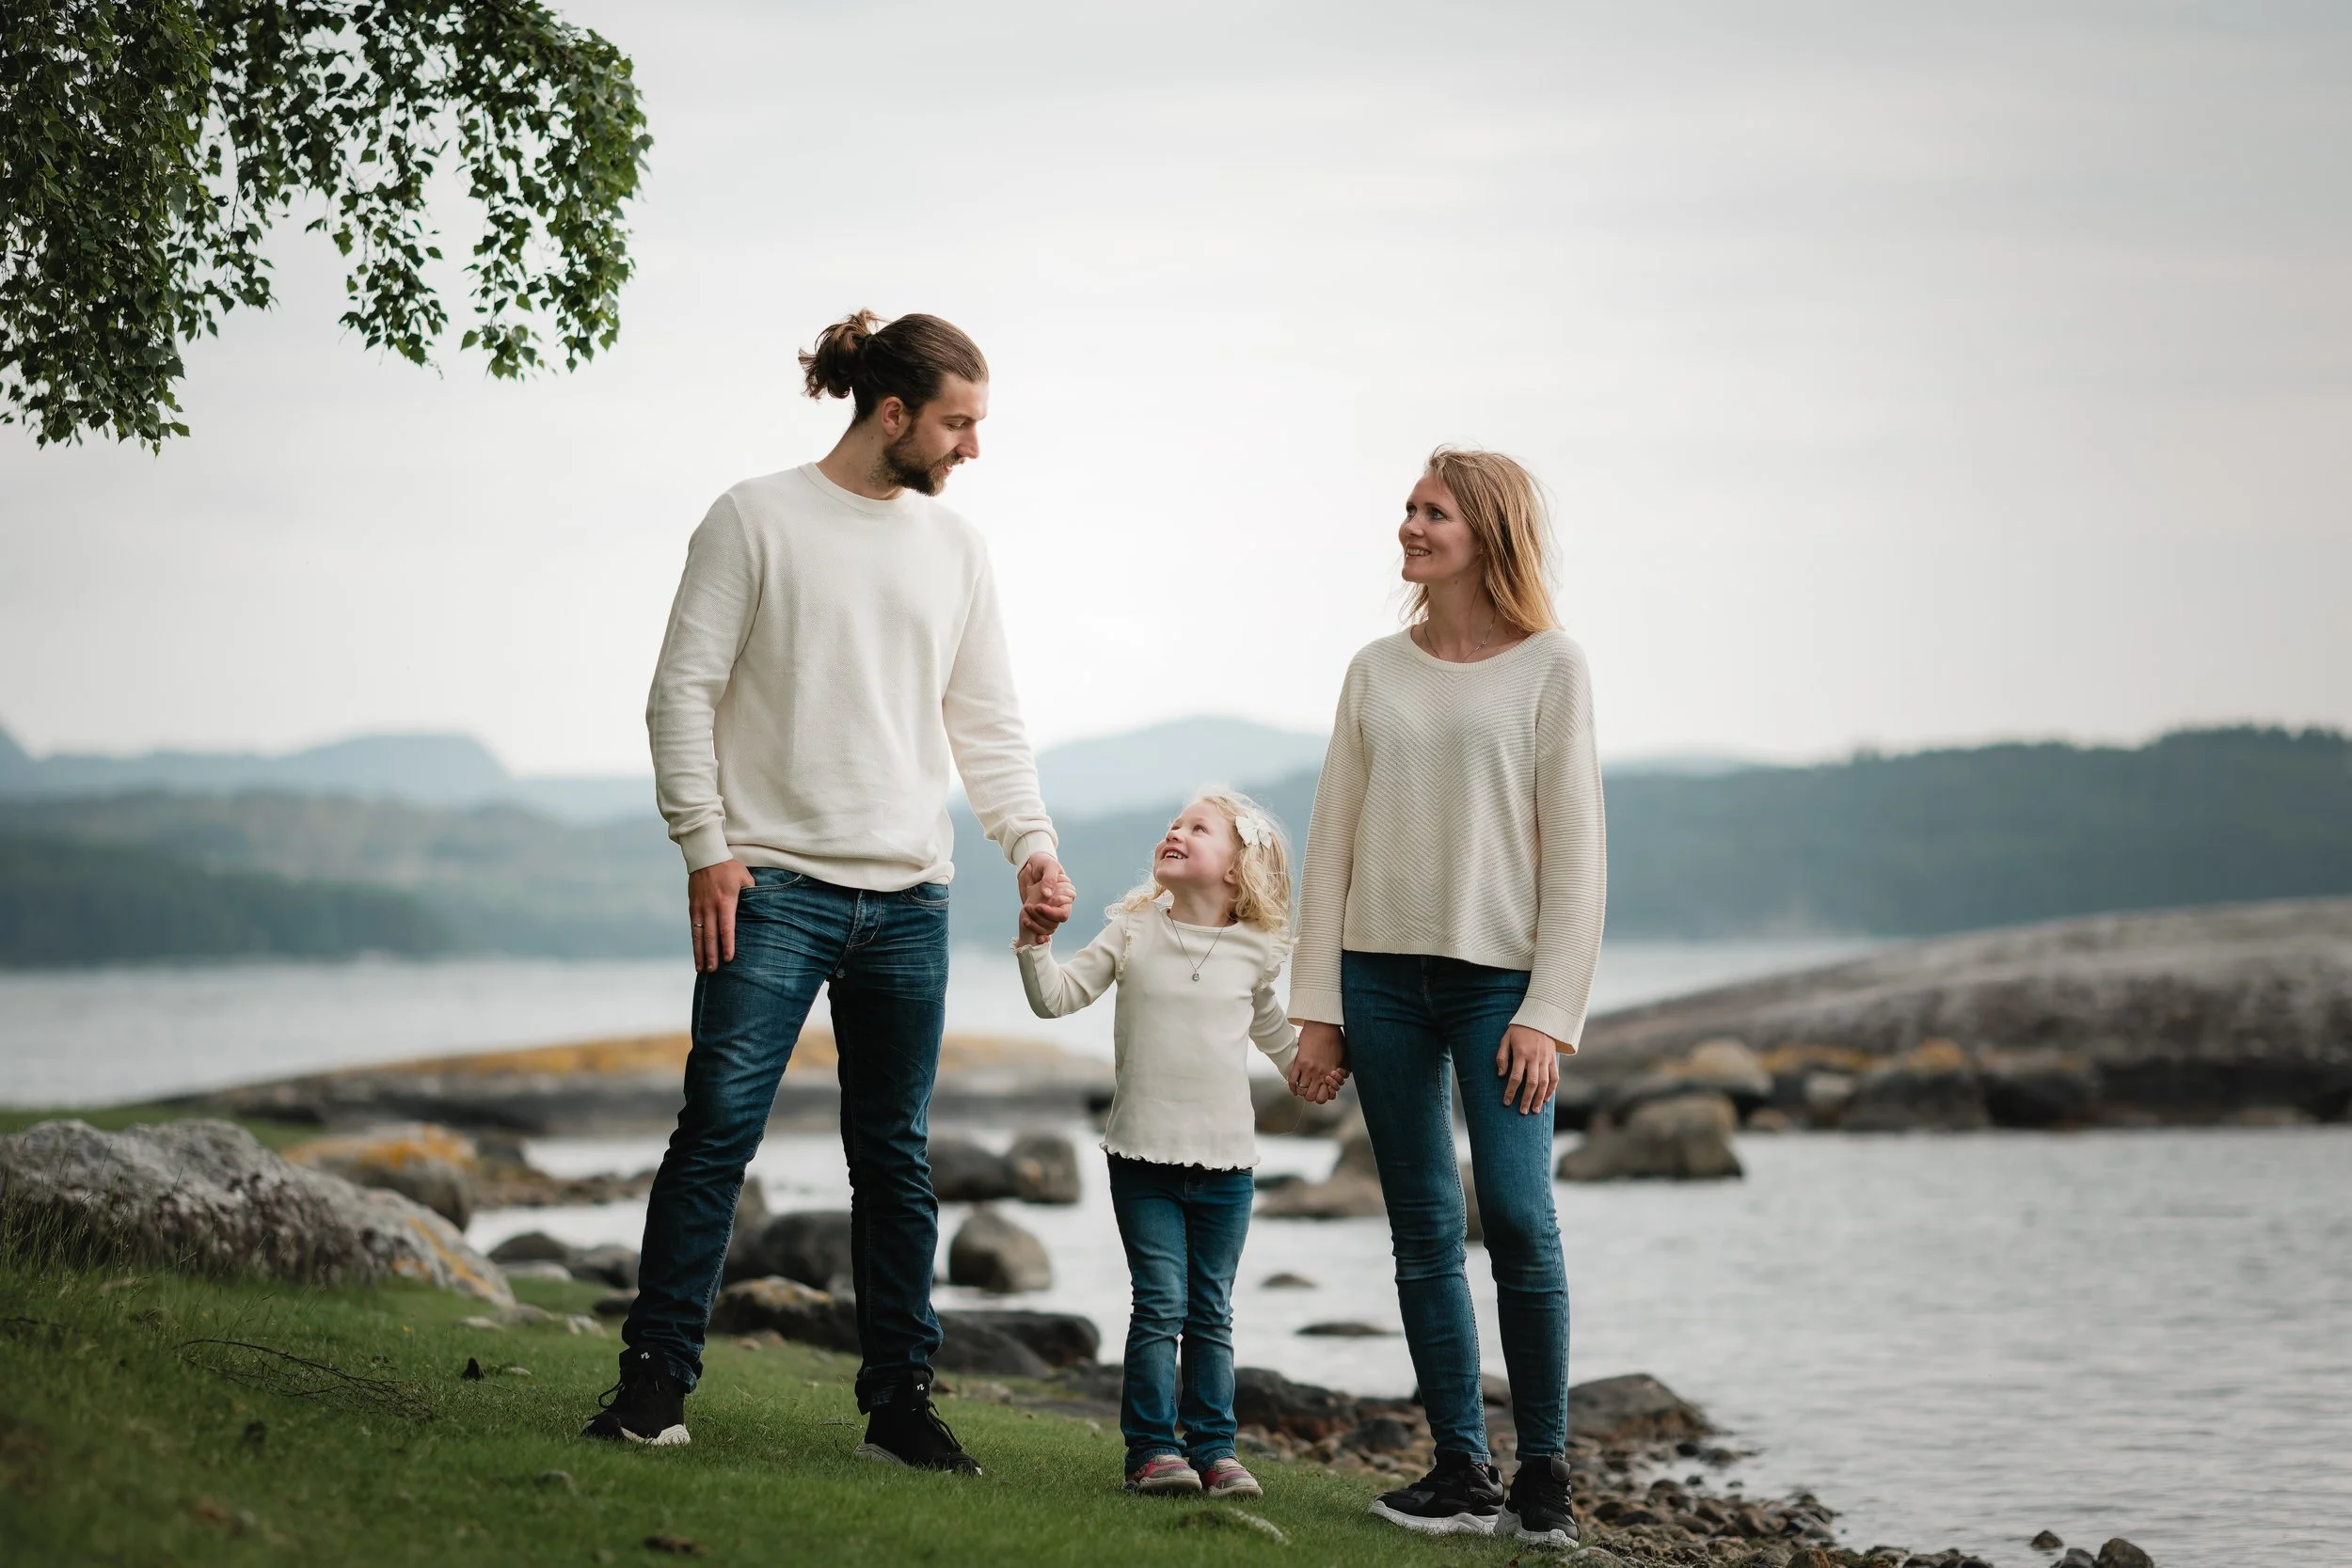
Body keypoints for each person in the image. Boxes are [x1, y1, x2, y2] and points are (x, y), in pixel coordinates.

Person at [582, 309, 1076, 1473]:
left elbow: (986, 721)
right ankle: (653, 1384)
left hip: (911, 899)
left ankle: (899, 1406)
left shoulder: (956, 549)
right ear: (892, 412)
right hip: (770, 886)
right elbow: (681, 692)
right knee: (717, 1131)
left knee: (894, 1157)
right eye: (957, 423)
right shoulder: (753, 517)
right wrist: (706, 846)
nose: (972, 447)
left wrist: (1031, 842)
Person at [1285, 447, 1606, 1548]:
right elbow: (1330, 840)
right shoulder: (1374, 669)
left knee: (1516, 1213)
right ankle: (1460, 1468)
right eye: (1410, 508)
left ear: (1487, 534)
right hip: (1377, 977)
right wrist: (1317, 1004)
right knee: (1422, 1224)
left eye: (1434, 513)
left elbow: (1577, 853)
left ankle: (1545, 1473)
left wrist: (1549, 1009)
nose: (1411, 527)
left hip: (1500, 987)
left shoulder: (1552, 666)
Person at [1014, 791, 1298, 1499]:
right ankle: (1151, 1450)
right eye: (1174, 824)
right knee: (1161, 1304)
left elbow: (1281, 1041)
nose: (1177, 831)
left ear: (1235, 869)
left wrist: (1322, 1067)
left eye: (1199, 828)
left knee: (1211, 1312)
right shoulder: (1133, 931)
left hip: (1228, 1166)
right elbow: (1056, 999)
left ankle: (1215, 1450)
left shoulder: (1257, 950)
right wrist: (1035, 944)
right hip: (1142, 1158)